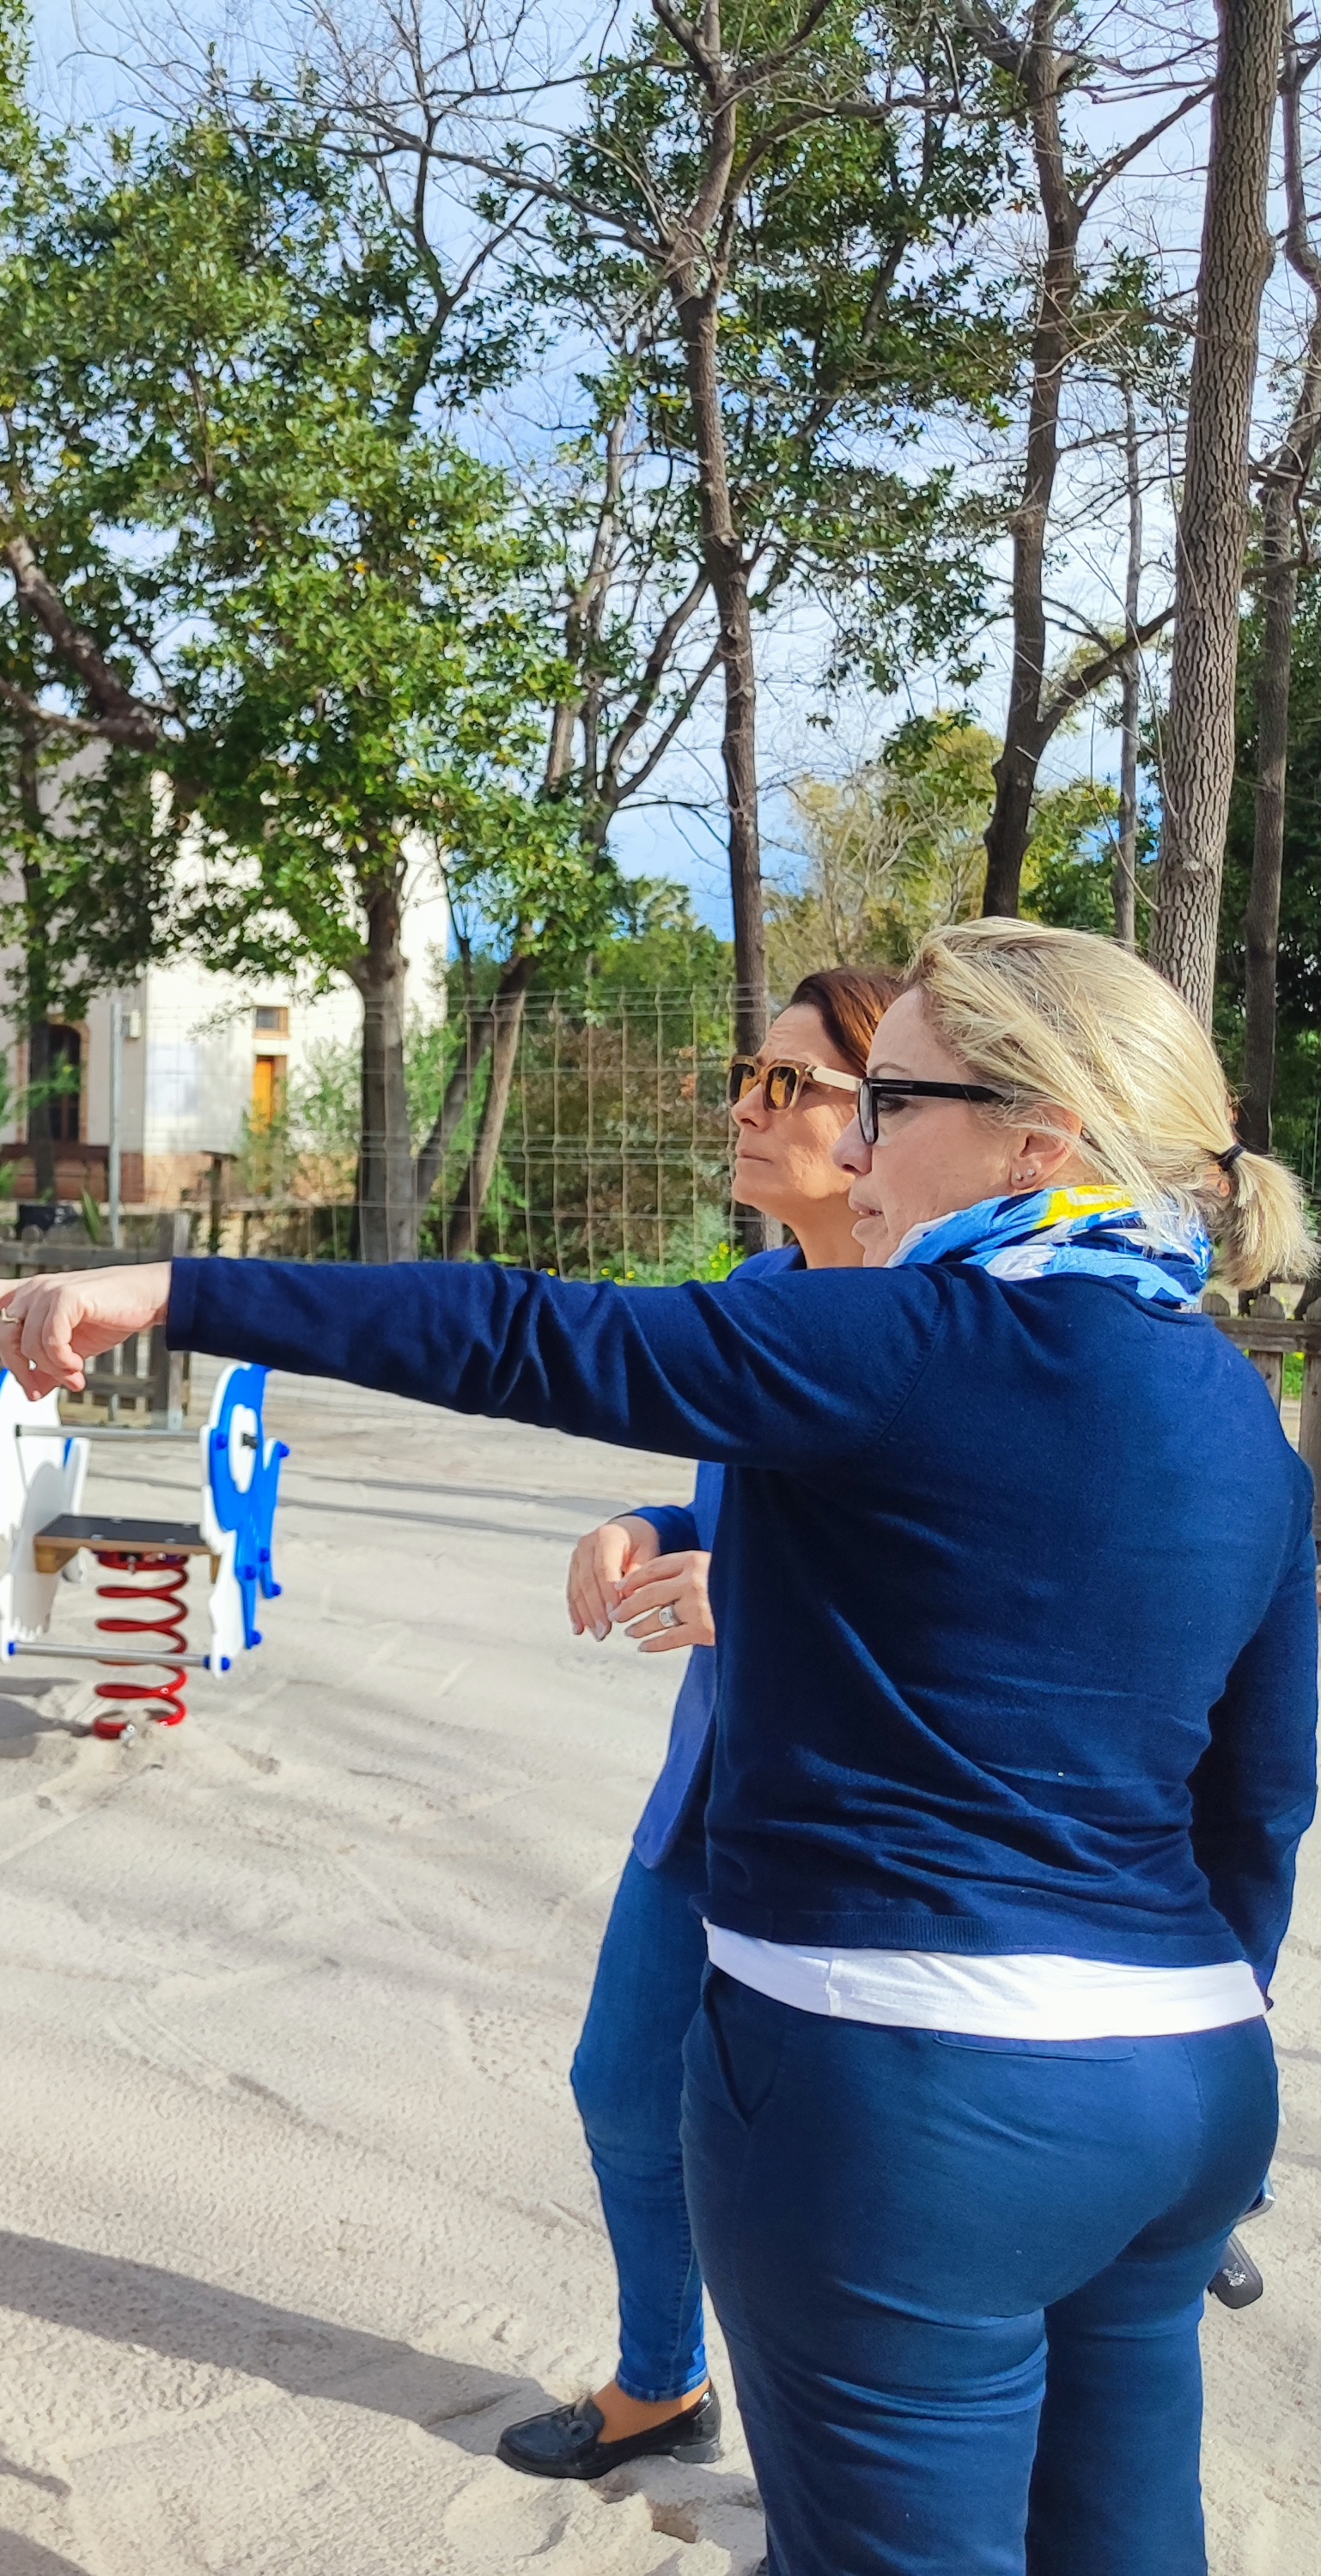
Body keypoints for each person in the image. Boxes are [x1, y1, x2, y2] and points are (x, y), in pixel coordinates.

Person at [0, 919, 1317, 2576]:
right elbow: (1261, 1800)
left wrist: (168, 1286)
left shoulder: (911, 1341)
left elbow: (526, 1333)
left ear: (1042, 1143)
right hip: (1188, 2083)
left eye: (890, 1103)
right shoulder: (1234, 1408)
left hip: (913, 2095)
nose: (859, 1145)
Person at [496, 967, 899, 2484]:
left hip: (861, 1837)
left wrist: (769, 1597)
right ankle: (660, 2384)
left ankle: (858, 2485)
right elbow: (738, 1523)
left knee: (844, 2177)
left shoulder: (948, 1324)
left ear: (890, 1115)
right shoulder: (758, 1300)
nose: (745, 1105)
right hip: (707, 1806)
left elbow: (972, 1584)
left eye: (789, 1083)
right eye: (751, 1073)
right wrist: (645, 1523)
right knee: (622, 2088)